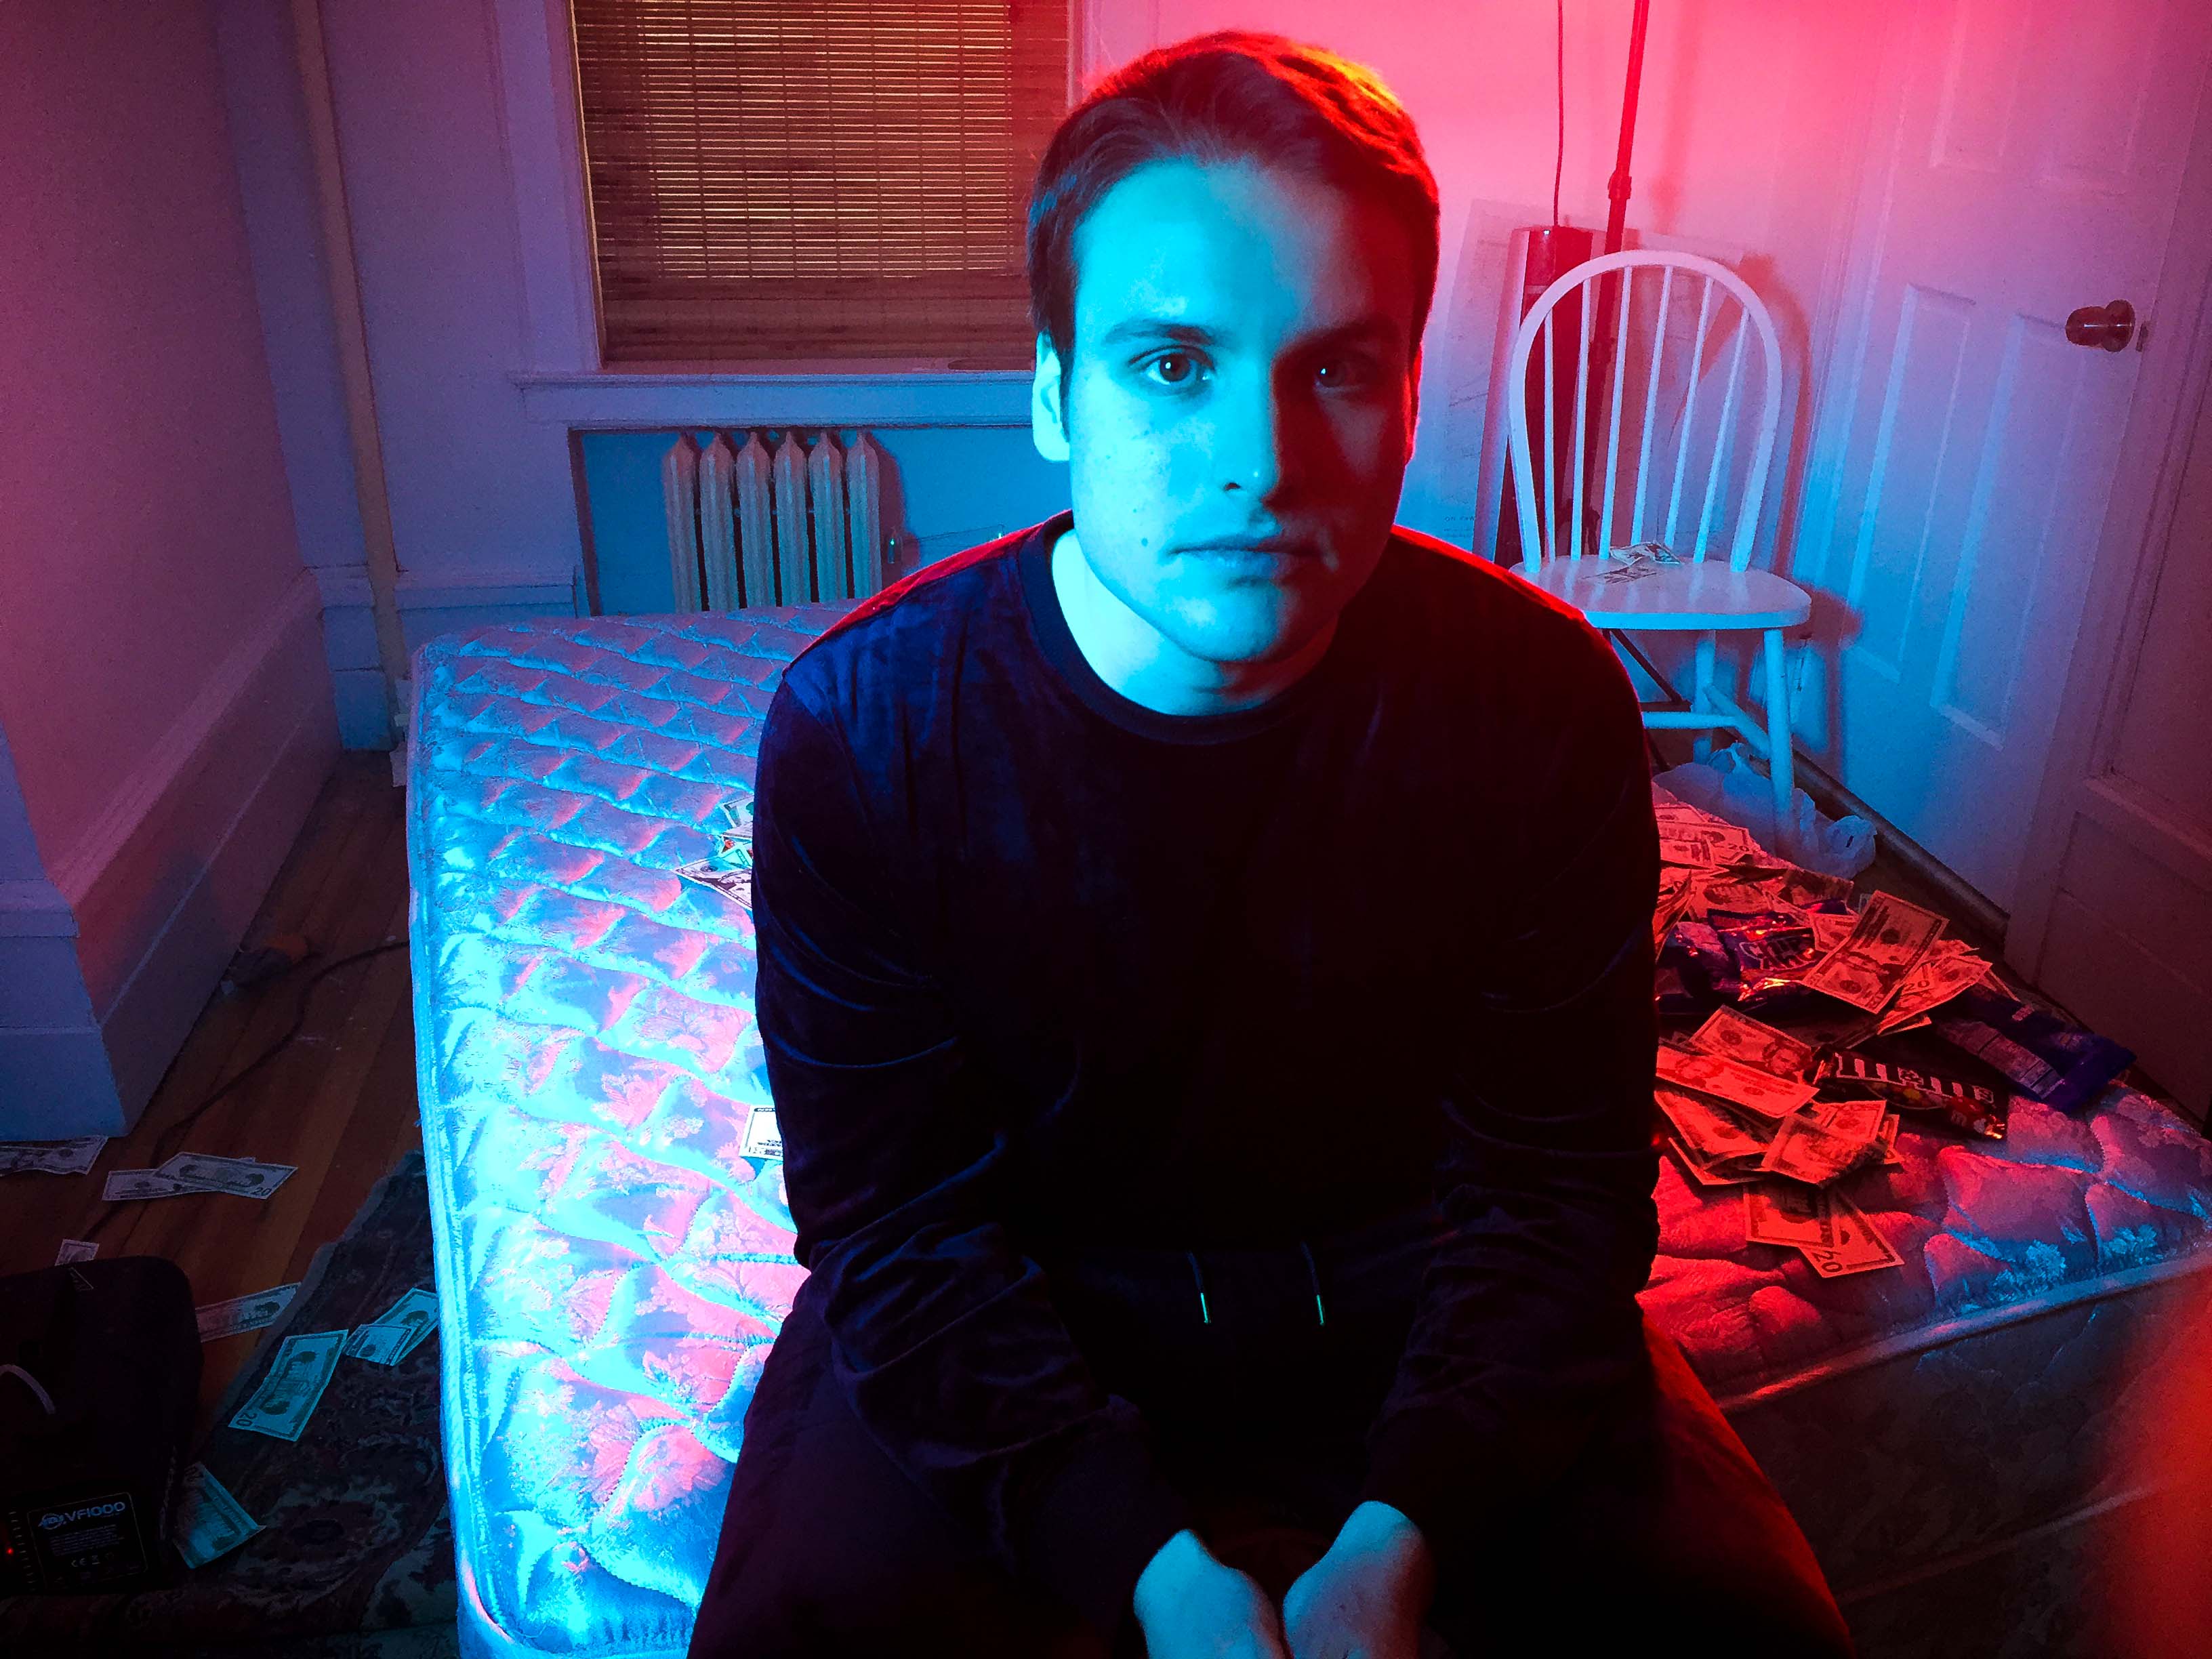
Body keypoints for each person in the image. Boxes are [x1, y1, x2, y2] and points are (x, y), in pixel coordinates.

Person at [689, 30, 1853, 1659]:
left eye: (1335, 371)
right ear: (1054, 395)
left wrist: (1409, 1534)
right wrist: (1146, 1569)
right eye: (1174, 367)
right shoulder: (864, 732)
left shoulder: (1540, 705)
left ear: (1411, 394)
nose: (1265, 463)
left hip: (1426, 1305)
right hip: (1017, 1307)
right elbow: (896, 1229)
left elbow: (1556, 1188)